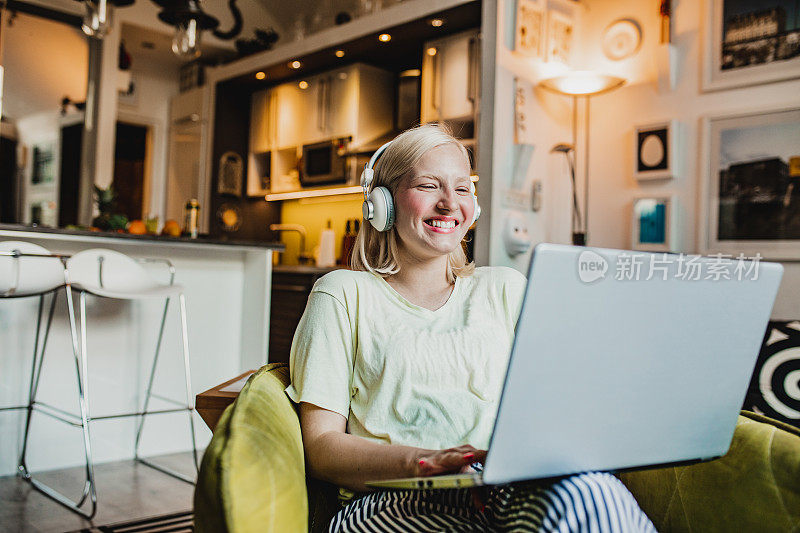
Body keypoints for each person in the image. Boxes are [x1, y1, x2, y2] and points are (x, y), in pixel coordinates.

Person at [286, 124, 656, 532]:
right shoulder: (343, 294)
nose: (449, 204)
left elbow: (561, 402)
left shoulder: (507, 288)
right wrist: (426, 463)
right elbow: (320, 448)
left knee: (594, 495)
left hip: (508, 489)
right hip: (395, 497)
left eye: (462, 189)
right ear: (382, 203)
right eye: (429, 185)